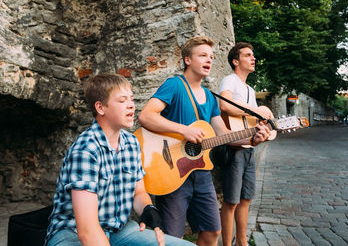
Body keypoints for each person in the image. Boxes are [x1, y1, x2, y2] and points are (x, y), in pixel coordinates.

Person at [138, 37, 271, 246]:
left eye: (211, 57)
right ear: (188, 59)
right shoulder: (174, 85)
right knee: (174, 238)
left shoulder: (210, 97)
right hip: (172, 171)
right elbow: (145, 116)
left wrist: (254, 138)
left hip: (201, 173)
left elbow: (223, 135)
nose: (209, 60)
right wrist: (184, 130)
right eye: (202, 55)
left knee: (212, 232)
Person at [45, 73, 194, 246]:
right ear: (100, 108)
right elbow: (87, 231)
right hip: (73, 234)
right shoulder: (86, 151)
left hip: (119, 230)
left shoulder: (131, 143)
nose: (131, 105)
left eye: (131, 99)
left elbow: (138, 192)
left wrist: (148, 209)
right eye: (122, 101)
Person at [218, 42, 275, 246]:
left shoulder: (250, 89)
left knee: (246, 199)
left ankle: (242, 242)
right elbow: (224, 105)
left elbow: (250, 119)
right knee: (231, 201)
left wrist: (264, 122)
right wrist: (256, 110)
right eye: (248, 55)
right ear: (236, 61)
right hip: (234, 147)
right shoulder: (230, 81)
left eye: (253, 55)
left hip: (249, 146)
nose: (253, 58)